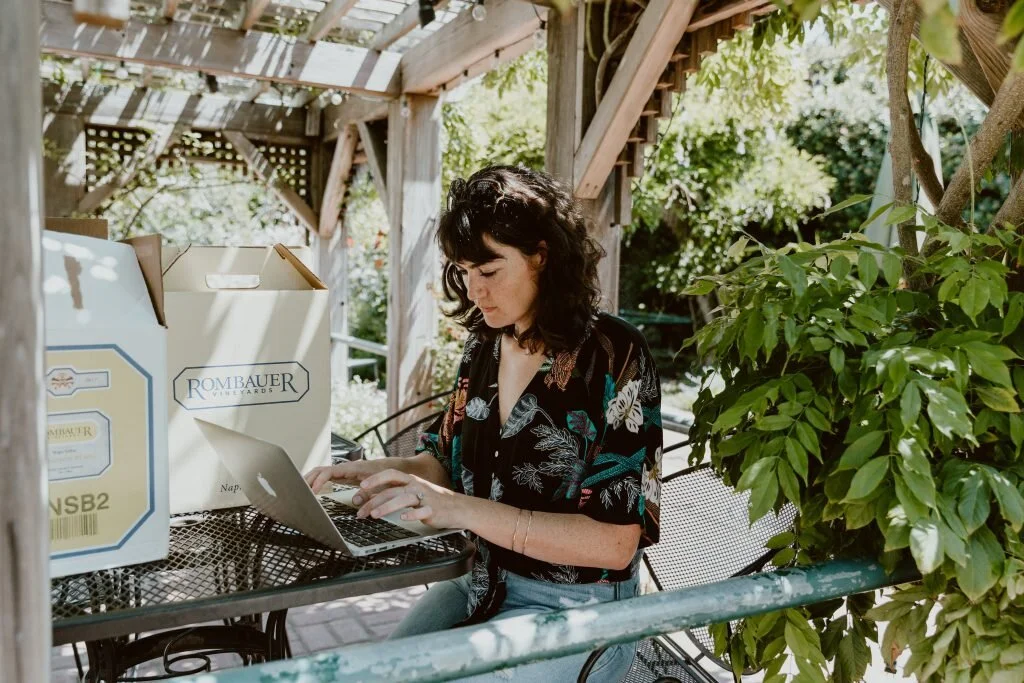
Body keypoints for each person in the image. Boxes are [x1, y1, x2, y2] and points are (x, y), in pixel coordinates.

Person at [305, 165, 662, 682]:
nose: (475, 291)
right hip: (479, 583)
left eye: (489, 272)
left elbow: (614, 542)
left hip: (579, 615)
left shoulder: (616, 355)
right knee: (367, 676)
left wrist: (459, 510)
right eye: (464, 272)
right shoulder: (484, 346)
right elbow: (445, 465)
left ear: (542, 255)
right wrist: (372, 472)